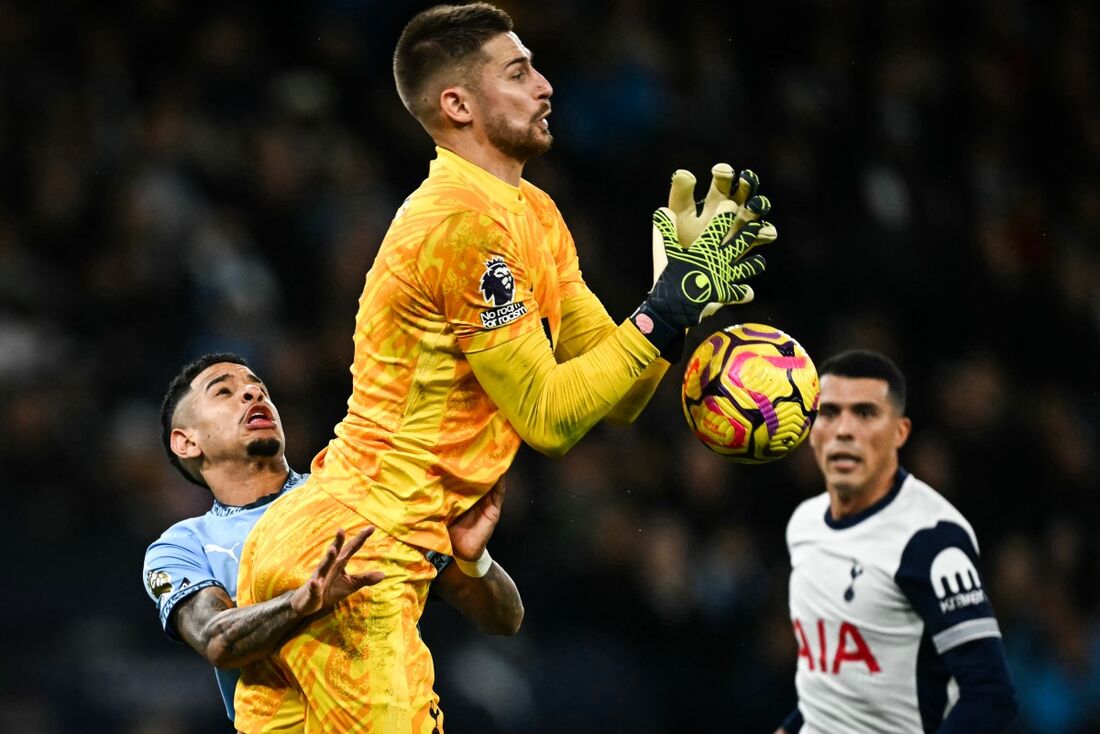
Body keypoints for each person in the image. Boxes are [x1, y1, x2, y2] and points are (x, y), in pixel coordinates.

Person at [235, 3, 778, 732]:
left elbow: (611, 396)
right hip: (356, 559)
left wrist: (676, 300)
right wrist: (666, 309)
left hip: (331, 540)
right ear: (456, 104)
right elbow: (548, 418)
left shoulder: (533, 215)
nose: (546, 85)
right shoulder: (459, 225)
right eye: (518, 73)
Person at [142, 353, 523, 729]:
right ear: (186, 442)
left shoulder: (361, 497)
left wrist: (473, 561)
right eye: (224, 392)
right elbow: (215, 639)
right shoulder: (183, 546)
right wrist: (300, 602)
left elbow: (505, 619)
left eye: (260, 390)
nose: (253, 396)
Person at [776, 349, 1017, 734]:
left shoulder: (932, 541)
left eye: (865, 413)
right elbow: (831, 684)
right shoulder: (803, 525)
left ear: (900, 432)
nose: (844, 430)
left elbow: (991, 696)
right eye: (830, 412)